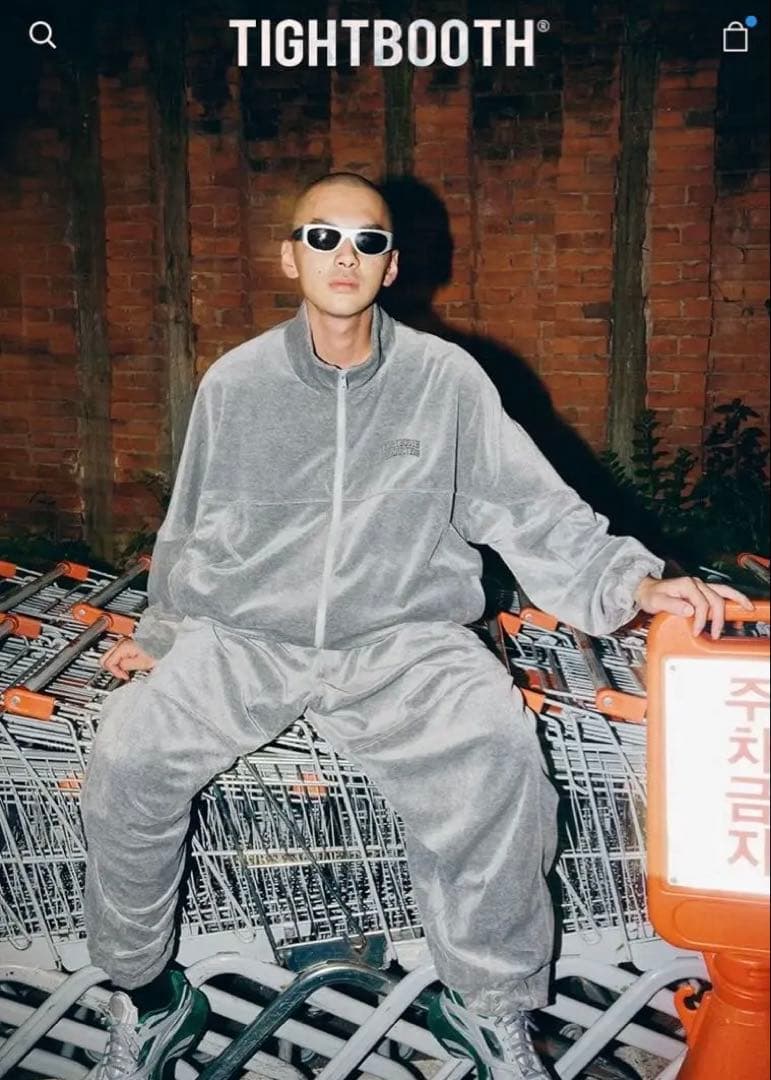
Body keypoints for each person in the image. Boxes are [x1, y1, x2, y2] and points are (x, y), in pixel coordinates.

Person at [83, 172, 751, 1080]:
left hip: (405, 641)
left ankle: (486, 1006)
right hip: (248, 638)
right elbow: (194, 522)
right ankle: (146, 992)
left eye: (366, 241)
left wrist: (631, 583)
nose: (344, 256)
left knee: (497, 754)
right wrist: (162, 634)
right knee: (128, 752)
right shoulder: (236, 383)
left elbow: (528, 506)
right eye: (322, 237)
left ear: (391, 265)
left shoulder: (444, 380)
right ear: (289, 257)